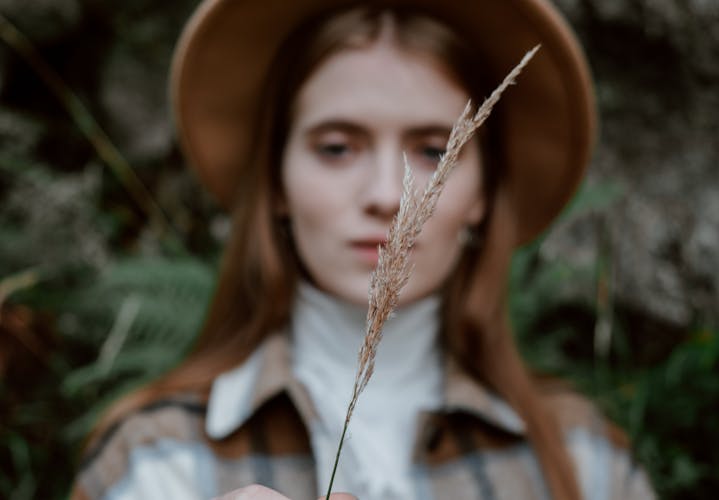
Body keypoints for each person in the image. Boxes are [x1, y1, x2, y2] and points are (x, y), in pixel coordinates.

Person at [71, 1, 655, 499]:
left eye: (433, 151)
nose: (385, 195)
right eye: (335, 147)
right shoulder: (157, 463)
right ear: (275, 183)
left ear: (482, 193)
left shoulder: (581, 462)